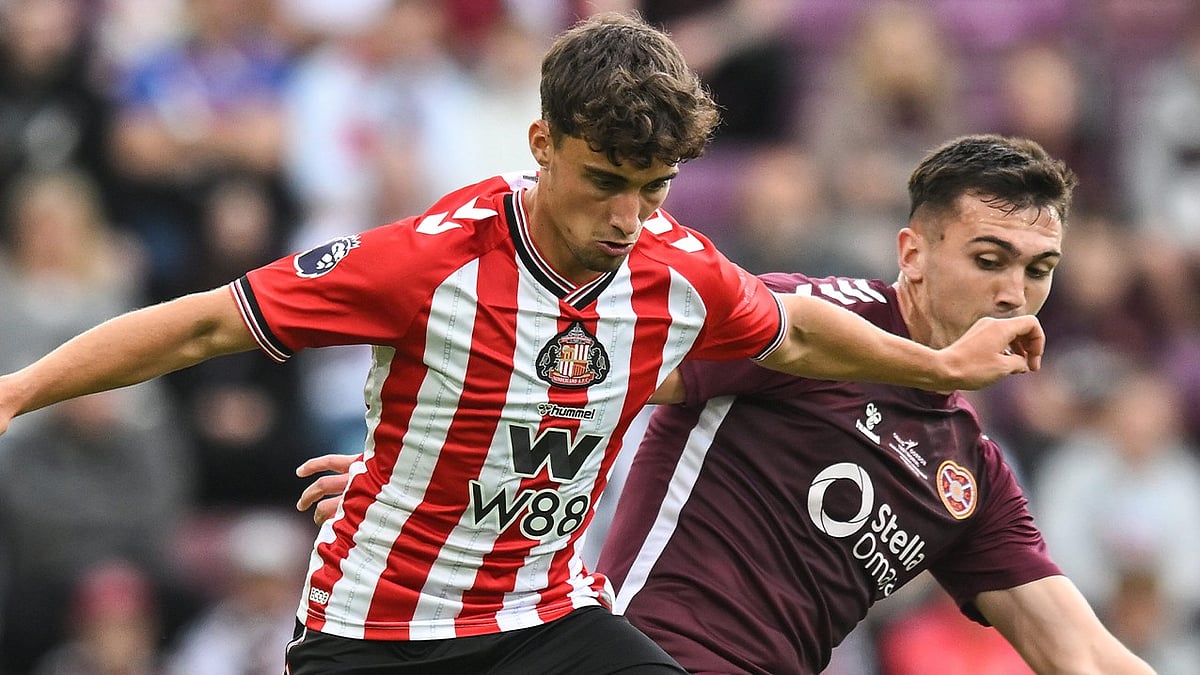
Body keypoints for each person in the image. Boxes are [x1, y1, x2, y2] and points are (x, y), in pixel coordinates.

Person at [0, 13, 1043, 674]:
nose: (630, 216)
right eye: (604, 181)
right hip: (381, 633)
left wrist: (938, 367)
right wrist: (17, 391)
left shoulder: (676, 267)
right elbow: (201, 323)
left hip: (545, 620)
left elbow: (797, 335)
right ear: (542, 144)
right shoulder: (425, 262)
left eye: (654, 187)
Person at [297, 134, 1153, 674]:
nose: (1014, 293)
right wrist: (430, 476)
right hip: (628, 650)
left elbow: (1079, 651)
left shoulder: (973, 475)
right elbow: (584, 372)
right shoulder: (803, 323)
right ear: (914, 253)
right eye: (991, 257)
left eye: (1037, 271)